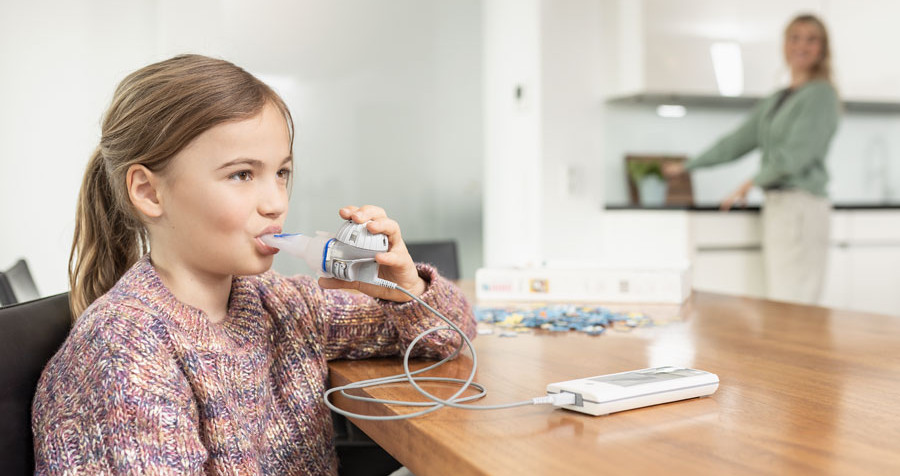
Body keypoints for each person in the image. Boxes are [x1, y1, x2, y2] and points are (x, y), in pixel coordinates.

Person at [31, 54, 476, 475]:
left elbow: (448, 336)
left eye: (281, 173)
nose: (276, 203)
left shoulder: (279, 303)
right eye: (242, 174)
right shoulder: (124, 350)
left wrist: (404, 290)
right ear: (148, 192)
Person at [664, 14, 841, 305]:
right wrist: (687, 166)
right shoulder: (778, 98)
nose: (802, 45)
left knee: (795, 301)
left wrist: (749, 183)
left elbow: (795, 156)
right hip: (779, 205)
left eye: (812, 39)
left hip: (802, 206)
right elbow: (736, 142)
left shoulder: (821, 95)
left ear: (823, 49)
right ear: (784, 45)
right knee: (780, 300)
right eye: (795, 37)